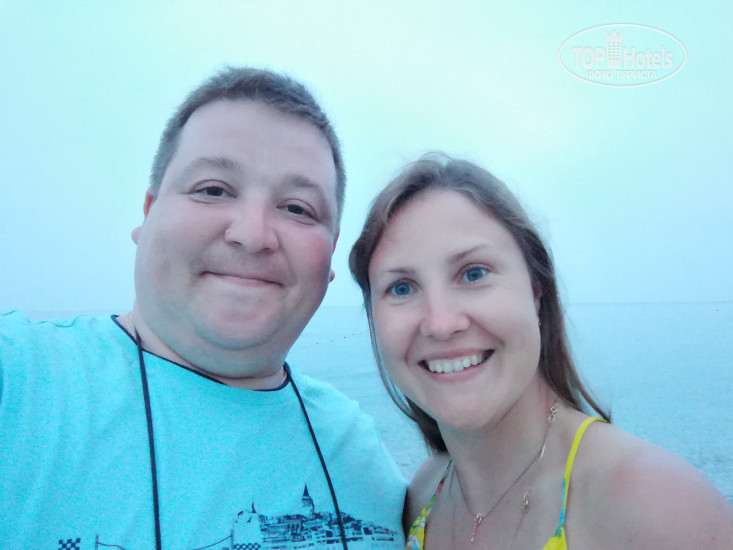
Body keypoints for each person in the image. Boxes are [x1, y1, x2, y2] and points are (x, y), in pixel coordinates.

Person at [0, 67, 406, 549]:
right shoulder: (21, 379)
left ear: (330, 256)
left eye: (297, 208)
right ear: (148, 215)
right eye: (213, 189)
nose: (252, 235)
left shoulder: (358, 449)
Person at [349, 154, 733, 549]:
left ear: (536, 290)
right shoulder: (426, 492)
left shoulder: (655, 506)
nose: (441, 323)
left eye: (474, 273)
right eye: (401, 288)